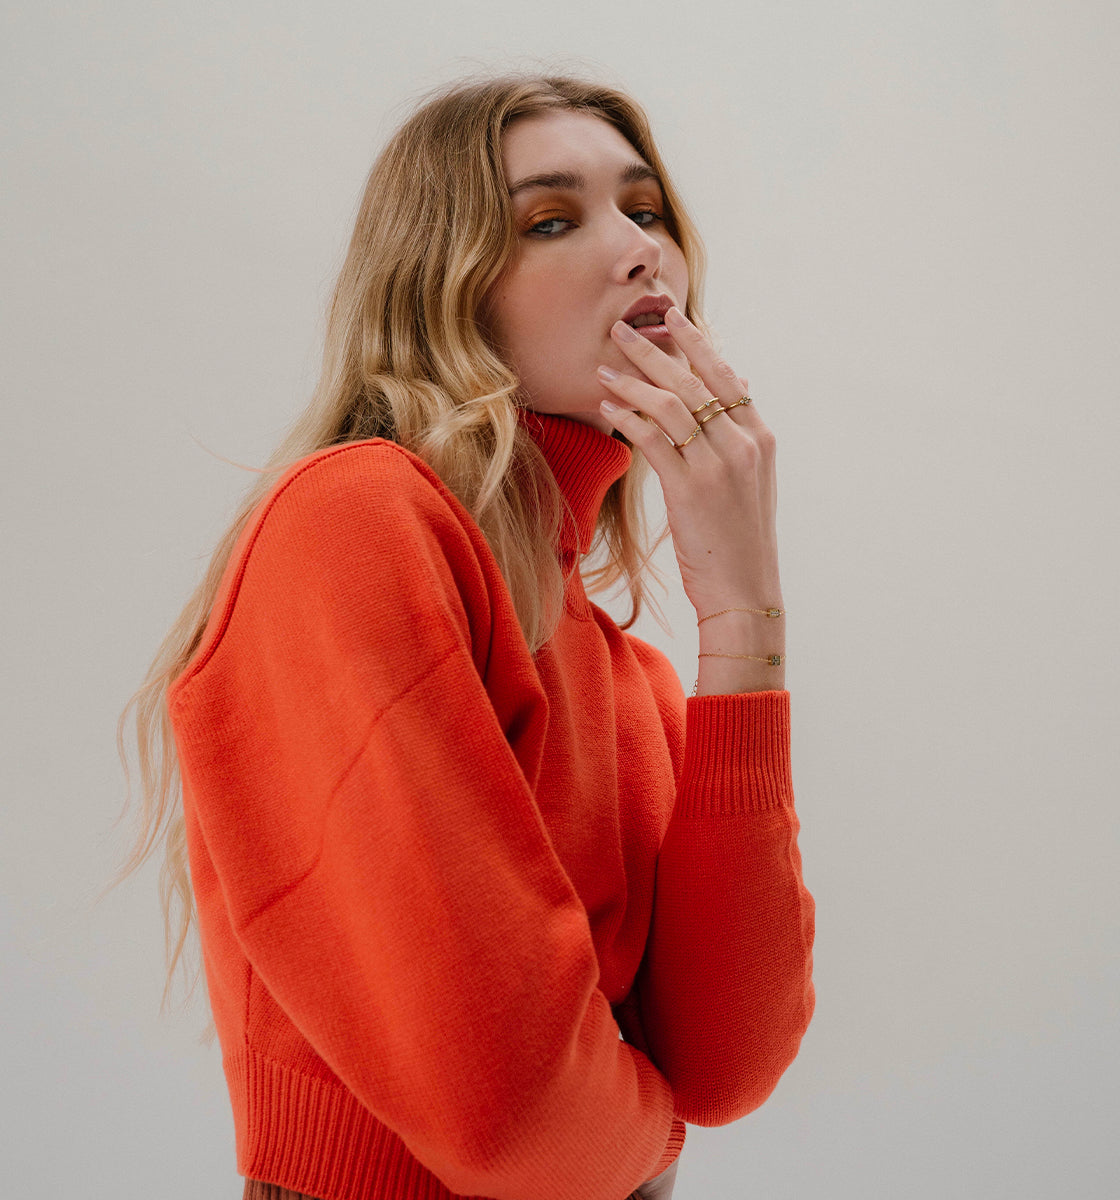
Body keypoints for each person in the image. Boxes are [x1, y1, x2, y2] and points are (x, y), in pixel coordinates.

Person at [119, 71, 815, 1200]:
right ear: (443, 291)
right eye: (551, 221)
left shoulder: (625, 673)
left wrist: (743, 615)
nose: (640, 251)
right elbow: (515, 1117)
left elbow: (728, 1064)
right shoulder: (354, 522)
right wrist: (651, 1148)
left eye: (646, 209)